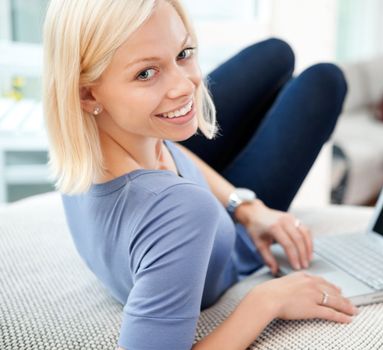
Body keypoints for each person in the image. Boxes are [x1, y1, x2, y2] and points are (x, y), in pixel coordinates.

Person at [42, 0, 356, 349]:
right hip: (225, 239)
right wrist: (267, 300)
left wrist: (247, 208)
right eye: (145, 73)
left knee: (275, 54)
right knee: (323, 82)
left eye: (184, 52)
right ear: (88, 93)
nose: (186, 85)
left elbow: (173, 150)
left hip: (210, 204)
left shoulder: (88, 141)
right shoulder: (180, 212)